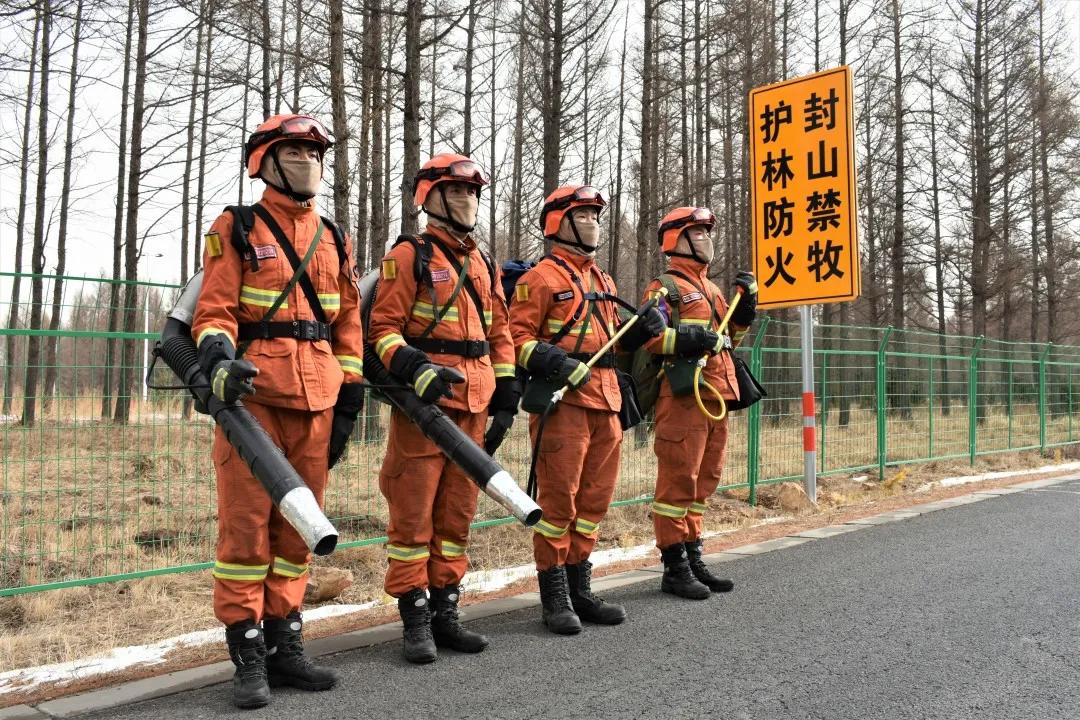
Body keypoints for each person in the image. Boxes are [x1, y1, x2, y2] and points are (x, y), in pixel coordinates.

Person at [192, 114, 364, 708]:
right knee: (246, 532)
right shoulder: (235, 226)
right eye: (295, 151)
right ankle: (247, 653)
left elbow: (347, 321)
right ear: (263, 161)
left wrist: (352, 389)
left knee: (299, 531)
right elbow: (213, 309)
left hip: (318, 400)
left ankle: (286, 642)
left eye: (315, 152)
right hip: (254, 402)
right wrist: (218, 354)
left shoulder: (334, 236)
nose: (308, 161)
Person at [366, 153, 519, 663]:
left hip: (474, 402)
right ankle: (414, 619)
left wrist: (506, 390)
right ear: (429, 198)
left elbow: (498, 332)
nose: (467, 200)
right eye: (457, 191)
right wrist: (412, 367)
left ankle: (445, 610)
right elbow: (382, 330)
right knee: (413, 517)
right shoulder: (408, 256)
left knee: (457, 515)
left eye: (473, 193)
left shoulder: (484, 262)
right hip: (424, 407)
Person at [508, 185, 665, 635]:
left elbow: (614, 341)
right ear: (559, 223)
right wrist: (556, 361)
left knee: (594, 501)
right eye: (585, 215)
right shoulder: (538, 279)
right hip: (565, 404)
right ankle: (554, 595)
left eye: (597, 215)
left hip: (608, 398)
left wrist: (639, 331)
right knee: (558, 501)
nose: (595, 222)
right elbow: (515, 340)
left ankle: (580, 586)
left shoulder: (604, 280)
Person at [641, 206, 757, 600]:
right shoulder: (665, 288)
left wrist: (743, 314)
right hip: (683, 399)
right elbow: (652, 339)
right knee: (678, 483)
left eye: (709, 232)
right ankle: (674, 567)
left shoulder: (714, 290)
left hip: (716, 398)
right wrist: (690, 340)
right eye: (700, 232)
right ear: (678, 240)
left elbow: (730, 342)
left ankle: (693, 556)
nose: (709, 239)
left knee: (703, 483)